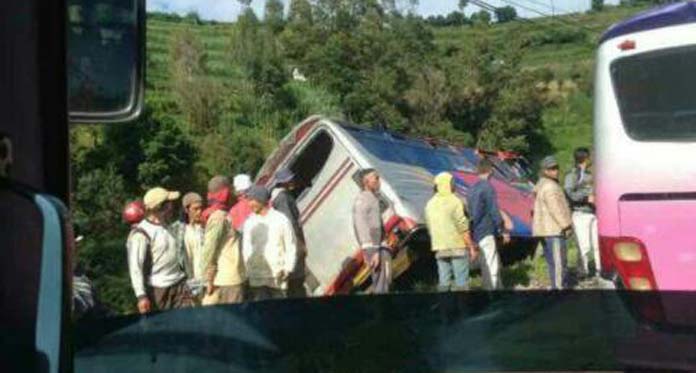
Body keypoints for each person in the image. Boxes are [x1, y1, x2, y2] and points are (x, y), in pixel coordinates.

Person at [126, 187, 192, 313]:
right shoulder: (141, 234)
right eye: (169, 203)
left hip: (179, 285)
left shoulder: (168, 226)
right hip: (158, 291)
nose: (172, 206)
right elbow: (135, 268)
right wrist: (141, 296)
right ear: (160, 207)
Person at [425, 172, 479, 291]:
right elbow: (463, 226)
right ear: (449, 185)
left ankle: (445, 308)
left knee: (444, 283)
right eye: (453, 183)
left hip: (440, 248)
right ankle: (463, 308)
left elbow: (429, 227)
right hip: (457, 247)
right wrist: (471, 247)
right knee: (461, 284)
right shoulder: (455, 201)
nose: (454, 185)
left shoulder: (429, 204)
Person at [242, 185, 298, 301]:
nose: (249, 204)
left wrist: (288, 268)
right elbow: (246, 248)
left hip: (277, 275)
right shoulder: (249, 222)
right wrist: (248, 270)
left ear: (261, 200)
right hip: (257, 277)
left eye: (252, 200)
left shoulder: (280, 219)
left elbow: (290, 245)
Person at [200, 176, 247, 305]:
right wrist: (207, 280)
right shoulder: (218, 218)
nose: (234, 193)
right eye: (231, 190)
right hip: (229, 281)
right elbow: (209, 250)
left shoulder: (224, 215)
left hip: (232, 278)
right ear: (225, 193)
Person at [467, 159, 510, 290]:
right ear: (490, 170)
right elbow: (493, 210)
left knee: (485, 263)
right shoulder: (488, 187)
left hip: (476, 231)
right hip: (486, 230)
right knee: (491, 265)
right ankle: (493, 294)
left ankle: (493, 290)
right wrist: (502, 229)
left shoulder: (472, 189)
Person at [533, 156, 573, 290]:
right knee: (559, 264)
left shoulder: (541, 184)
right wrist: (566, 225)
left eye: (556, 168)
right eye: (551, 169)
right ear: (545, 171)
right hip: (554, 230)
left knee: (553, 263)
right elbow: (555, 209)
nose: (555, 171)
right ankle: (560, 291)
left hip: (546, 231)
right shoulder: (550, 186)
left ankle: (557, 287)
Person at [352, 168, 391, 294]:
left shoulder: (359, 200)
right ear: (366, 182)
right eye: (376, 178)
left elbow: (357, 227)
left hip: (368, 248)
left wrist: (364, 249)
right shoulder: (371, 199)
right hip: (377, 248)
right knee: (383, 283)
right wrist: (376, 250)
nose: (379, 181)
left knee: (377, 281)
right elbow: (375, 226)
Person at [270, 168, 307, 298]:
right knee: (297, 281)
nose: (292, 181)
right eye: (289, 180)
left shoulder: (279, 196)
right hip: (293, 243)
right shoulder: (282, 198)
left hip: (290, 243)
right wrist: (300, 244)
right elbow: (290, 223)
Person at [564, 147, 600, 278]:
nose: (591, 159)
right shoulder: (572, 175)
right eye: (589, 156)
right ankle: (583, 271)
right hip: (580, 213)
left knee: (597, 244)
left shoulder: (590, 174)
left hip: (594, 213)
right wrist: (586, 198)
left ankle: (599, 270)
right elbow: (569, 193)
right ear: (585, 158)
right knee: (584, 245)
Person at [181, 192, 205, 300]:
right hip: (196, 282)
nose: (199, 212)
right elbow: (187, 261)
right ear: (187, 210)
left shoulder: (205, 228)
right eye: (195, 209)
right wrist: (192, 285)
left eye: (201, 208)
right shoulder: (184, 232)